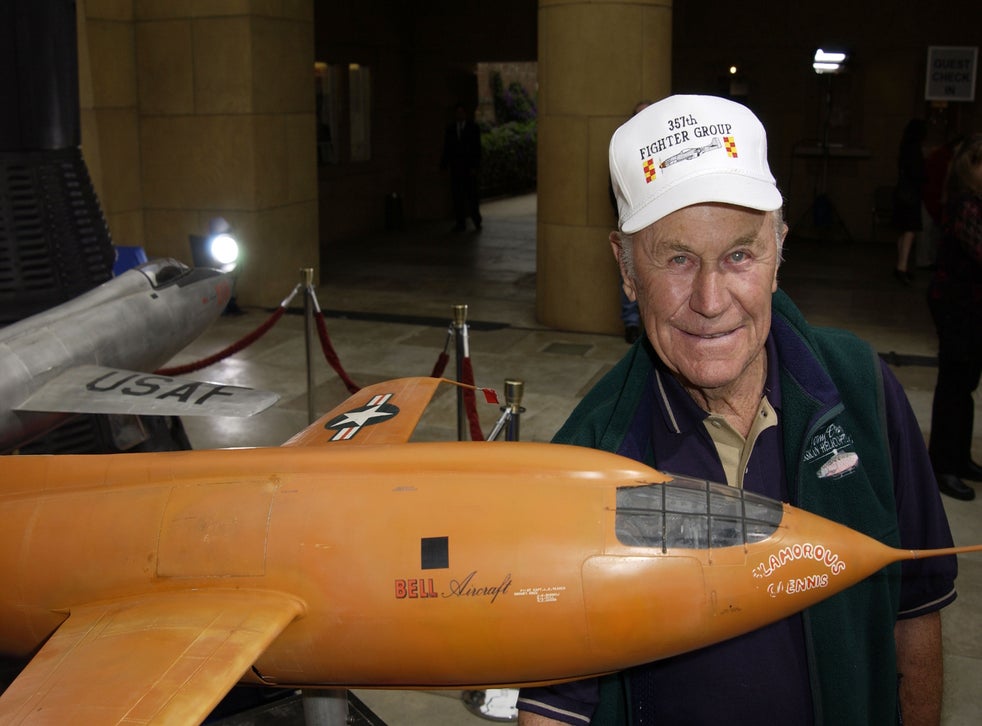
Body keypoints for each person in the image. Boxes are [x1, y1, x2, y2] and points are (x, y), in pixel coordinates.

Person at [517, 95, 957, 726]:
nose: (710, 300)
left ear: (778, 253)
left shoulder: (860, 386)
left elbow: (917, 607)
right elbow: (553, 705)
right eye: (677, 259)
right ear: (626, 269)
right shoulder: (587, 459)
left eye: (739, 256)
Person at [927, 133, 982, 501]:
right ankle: (942, 465)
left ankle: (960, 458)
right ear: (971, 166)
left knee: (966, 385)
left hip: (971, 307)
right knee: (954, 386)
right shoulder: (965, 205)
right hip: (957, 305)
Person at [609, 101, 652, 343]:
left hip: (659, 225)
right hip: (632, 223)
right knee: (630, 270)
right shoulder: (623, 151)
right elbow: (614, 189)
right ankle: (632, 323)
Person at [892, 119, 927, 285]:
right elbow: (917, 173)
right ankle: (902, 267)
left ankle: (901, 266)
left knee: (904, 230)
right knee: (910, 230)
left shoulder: (905, 147)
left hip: (902, 192)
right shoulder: (914, 150)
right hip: (910, 194)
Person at [441, 103, 483, 232]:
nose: (459, 115)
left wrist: (475, 166)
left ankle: (476, 220)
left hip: (469, 169)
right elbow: (447, 148)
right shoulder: (451, 129)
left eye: (461, 112)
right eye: (457, 113)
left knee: (472, 196)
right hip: (456, 168)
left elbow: (477, 148)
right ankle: (460, 223)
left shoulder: (473, 128)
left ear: (465, 114)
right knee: (457, 197)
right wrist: (444, 164)